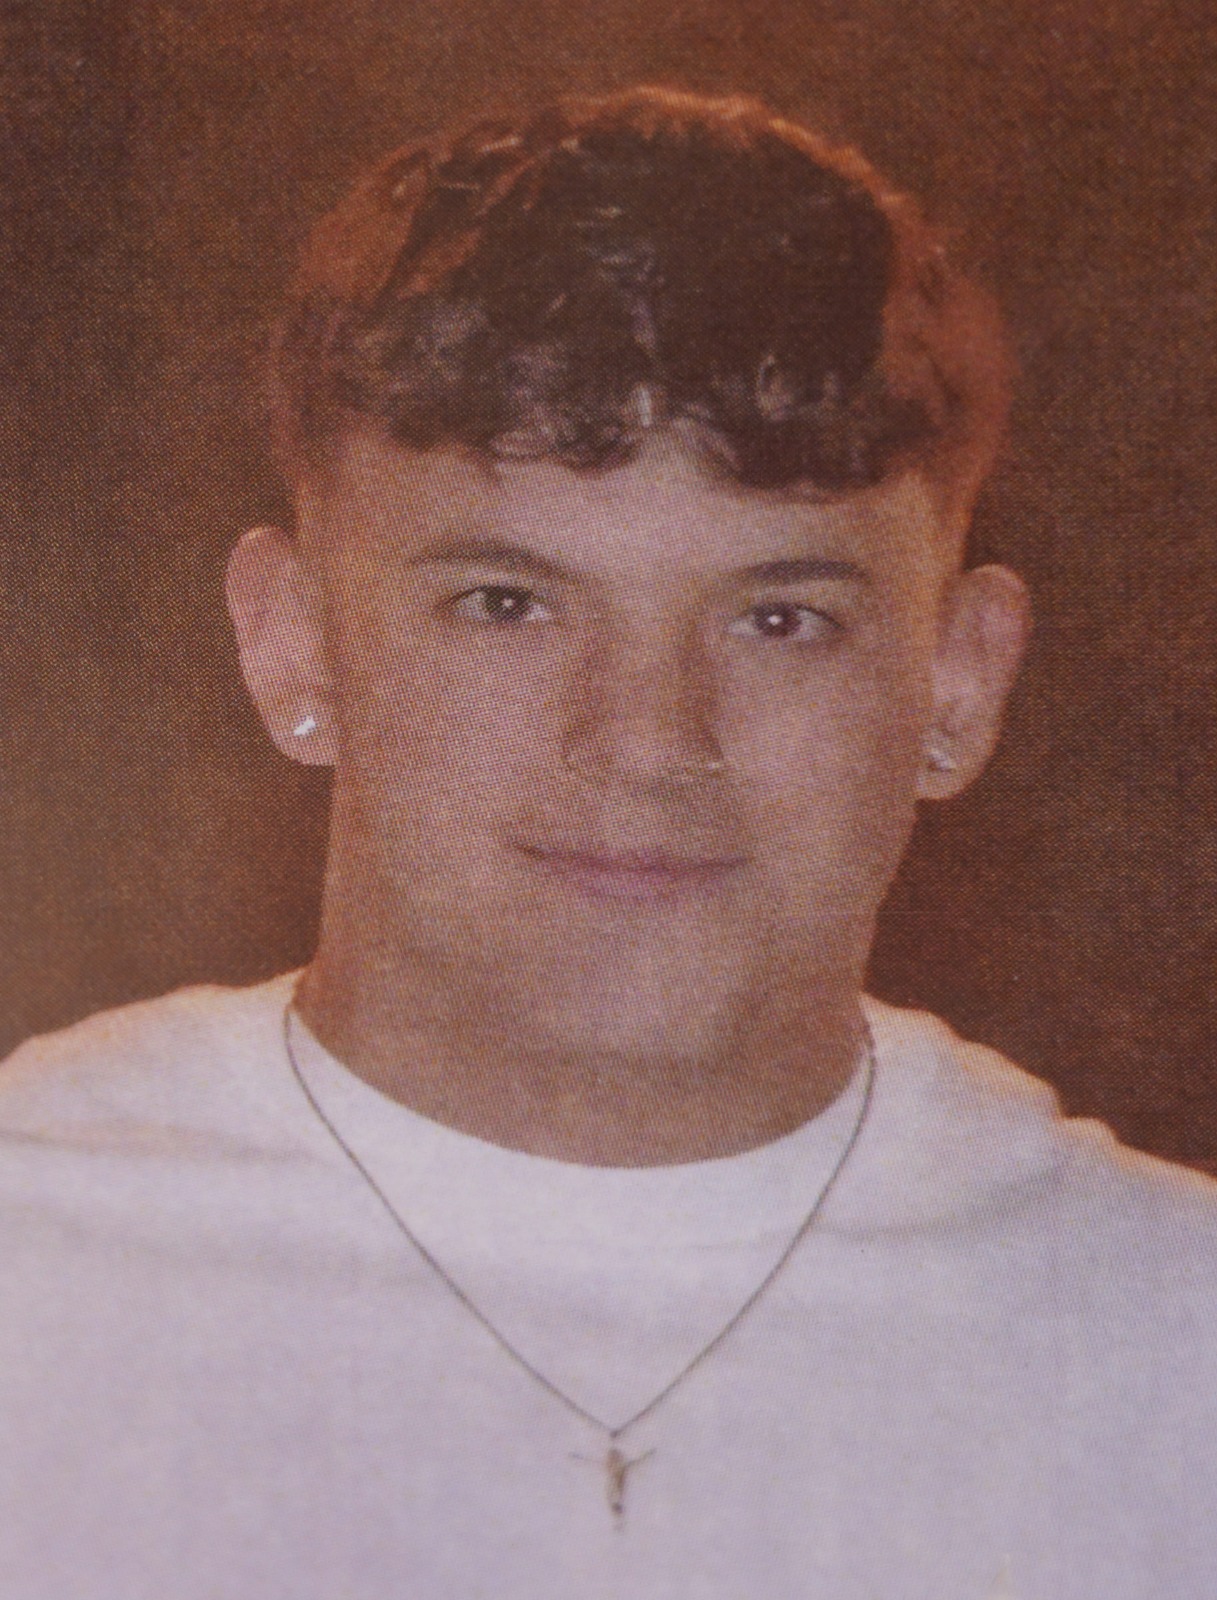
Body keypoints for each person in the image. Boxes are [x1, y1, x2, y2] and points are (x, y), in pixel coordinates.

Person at [1, 86, 1213, 1599]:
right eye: (506, 603)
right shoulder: (31, 1265)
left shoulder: (1173, 1349)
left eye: (783, 619)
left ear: (958, 683)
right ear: (292, 640)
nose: (646, 740)